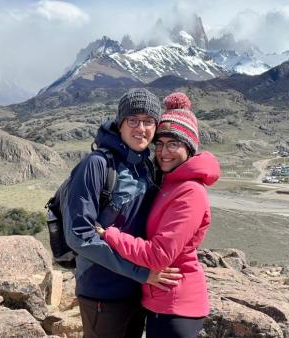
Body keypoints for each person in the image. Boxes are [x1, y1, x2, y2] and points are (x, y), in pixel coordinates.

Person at [96, 92, 220, 338]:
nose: (164, 152)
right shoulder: (169, 183)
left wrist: (110, 235)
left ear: (189, 147)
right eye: (160, 144)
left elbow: (158, 255)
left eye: (173, 144)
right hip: (161, 301)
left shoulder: (190, 193)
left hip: (177, 305)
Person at [62, 88, 182, 338]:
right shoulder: (97, 164)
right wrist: (141, 272)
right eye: (133, 120)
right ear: (120, 123)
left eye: (149, 121)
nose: (141, 128)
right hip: (102, 291)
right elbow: (79, 235)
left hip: (138, 289)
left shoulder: (146, 164)